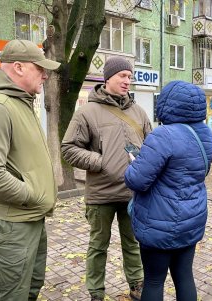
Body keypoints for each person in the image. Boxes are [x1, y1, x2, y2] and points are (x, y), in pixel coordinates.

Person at [0, 39, 60, 300]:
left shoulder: (21, 101)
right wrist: (32, 195)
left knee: (31, 287)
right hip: (12, 223)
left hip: (30, 218)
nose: (45, 74)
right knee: (12, 295)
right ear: (19, 67)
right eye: (40, 68)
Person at [61, 56, 151, 301]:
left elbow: (151, 145)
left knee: (132, 244)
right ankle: (96, 292)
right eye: (122, 75)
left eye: (130, 77)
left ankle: (137, 285)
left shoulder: (139, 112)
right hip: (100, 194)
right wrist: (101, 162)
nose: (127, 81)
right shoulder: (87, 112)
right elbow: (69, 148)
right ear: (108, 77)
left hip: (132, 193)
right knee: (98, 246)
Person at [124, 80, 212, 301]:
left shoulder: (163, 135)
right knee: (184, 276)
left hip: (159, 222)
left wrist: (134, 162)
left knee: (154, 280)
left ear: (166, 104)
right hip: (191, 218)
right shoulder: (207, 134)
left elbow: (136, 180)